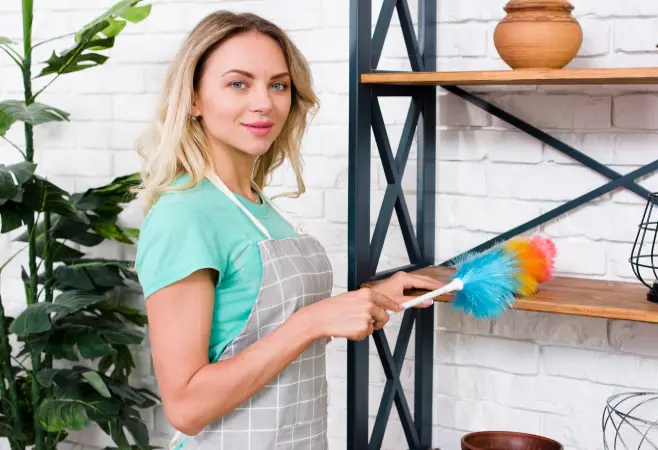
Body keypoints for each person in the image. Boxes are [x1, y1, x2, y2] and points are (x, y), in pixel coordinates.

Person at [132, 10, 444, 450]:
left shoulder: (257, 206)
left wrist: (374, 297)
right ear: (194, 99)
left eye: (278, 84)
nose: (264, 102)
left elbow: (267, 324)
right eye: (238, 83)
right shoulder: (184, 215)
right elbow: (186, 406)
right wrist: (313, 322)